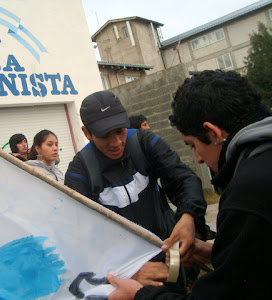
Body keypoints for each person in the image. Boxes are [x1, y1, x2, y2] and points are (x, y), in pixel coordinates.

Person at [107, 70, 272, 299]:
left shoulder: (248, 195)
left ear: (213, 133)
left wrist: (140, 296)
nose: (198, 159)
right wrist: (220, 254)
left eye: (192, 145)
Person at [65, 90, 207, 287]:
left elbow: (183, 178)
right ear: (86, 133)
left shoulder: (145, 142)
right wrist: (125, 273)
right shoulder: (79, 172)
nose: (116, 142)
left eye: (120, 130)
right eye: (105, 135)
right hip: (124, 272)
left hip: (166, 254)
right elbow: (80, 237)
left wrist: (189, 216)